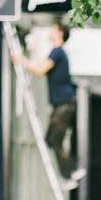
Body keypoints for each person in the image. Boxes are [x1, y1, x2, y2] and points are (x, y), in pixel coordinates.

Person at [14, 22, 85, 188]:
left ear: (59, 33)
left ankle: (71, 172)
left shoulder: (57, 52)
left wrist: (21, 60)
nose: (50, 32)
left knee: (53, 139)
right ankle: (71, 172)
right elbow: (41, 64)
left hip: (64, 104)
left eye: (53, 29)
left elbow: (39, 70)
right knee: (51, 140)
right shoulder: (57, 53)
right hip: (62, 104)